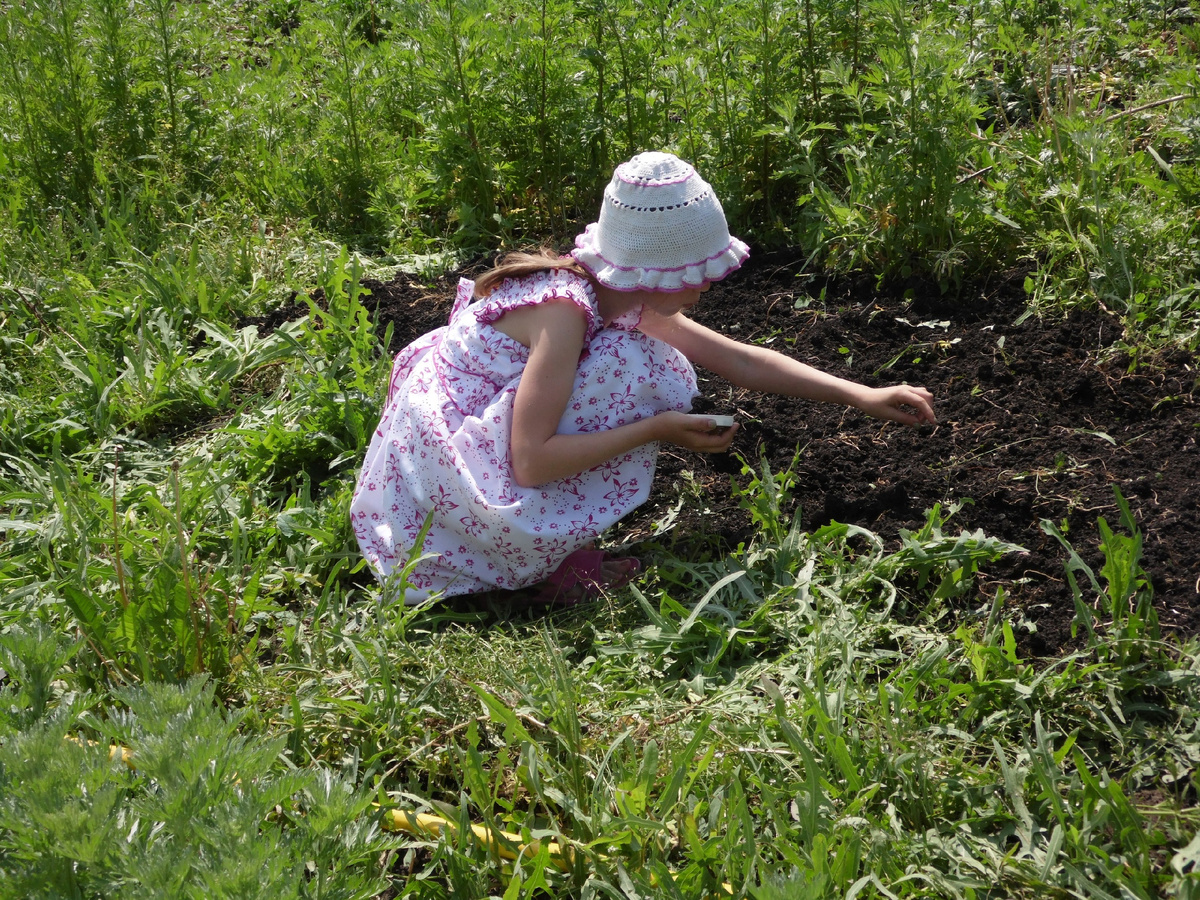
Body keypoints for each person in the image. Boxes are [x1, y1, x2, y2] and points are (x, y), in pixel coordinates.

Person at [351, 151, 935, 604]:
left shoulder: (616, 293)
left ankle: (559, 551)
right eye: (700, 273)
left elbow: (741, 360)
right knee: (630, 371)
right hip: (450, 486)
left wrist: (861, 394)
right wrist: (656, 428)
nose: (710, 284)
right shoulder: (566, 313)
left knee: (636, 360)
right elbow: (530, 460)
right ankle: (548, 564)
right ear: (655, 273)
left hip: (467, 441)